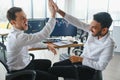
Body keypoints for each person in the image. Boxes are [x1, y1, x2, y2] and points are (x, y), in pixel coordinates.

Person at [49, 1, 115, 80]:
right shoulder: (93, 30)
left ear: (104, 30)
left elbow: (101, 66)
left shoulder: (109, 44)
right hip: (81, 61)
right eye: (90, 25)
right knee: (55, 65)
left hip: (89, 69)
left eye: (93, 27)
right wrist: (58, 10)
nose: (90, 29)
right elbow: (77, 22)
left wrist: (81, 59)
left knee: (53, 70)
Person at [6, 0, 58, 80]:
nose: (26, 20)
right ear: (13, 22)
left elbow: (31, 43)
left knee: (48, 63)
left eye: (25, 17)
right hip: (21, 72)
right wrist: (53, 15)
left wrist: (46, 45)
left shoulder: (17, 34)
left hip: (25, 64)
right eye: (22, 18)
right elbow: (43, 35)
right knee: (53, 77)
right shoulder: (17, 37)